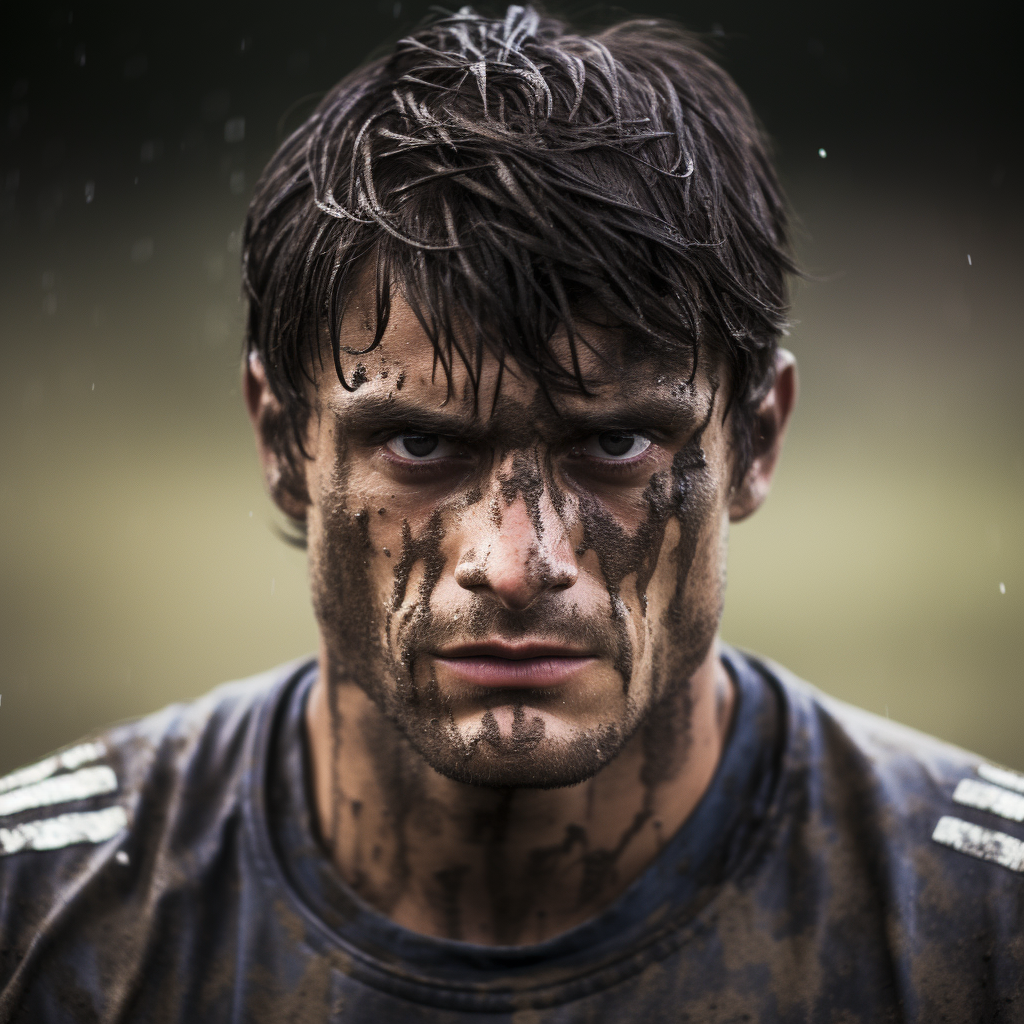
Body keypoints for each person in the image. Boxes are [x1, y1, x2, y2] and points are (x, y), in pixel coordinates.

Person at [1, 6, 1021, 1021]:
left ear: (755, 441)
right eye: (420, 444)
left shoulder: (981, 927)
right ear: (282, 444)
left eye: (615, 443)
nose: (516, 560)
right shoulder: (43, 921)